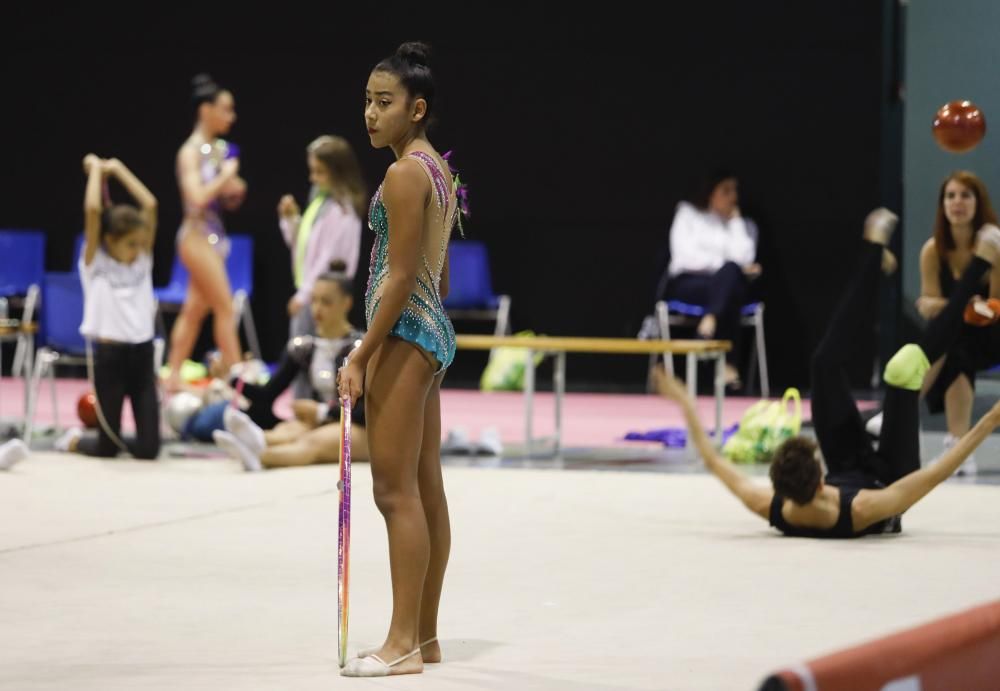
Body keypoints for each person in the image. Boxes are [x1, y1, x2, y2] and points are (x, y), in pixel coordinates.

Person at [655, 207, 1000, 539]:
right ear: (820, 482)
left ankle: (873, 258)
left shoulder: (776, 507)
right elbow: (934, 475)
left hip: (848, 463)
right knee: (905, 364)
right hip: (891, 474)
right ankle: (980, 264)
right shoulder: (864, 509)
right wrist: (988, 420)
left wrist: (686, 405)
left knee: (823, 364)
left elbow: (717, 465)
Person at [337, 41, 461, 677]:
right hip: (428, 331)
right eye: (366, 101)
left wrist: (364, 353)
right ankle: (426, 635)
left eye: (383, 102)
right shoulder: (437, 168)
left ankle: (401, 643)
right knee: (426, 487)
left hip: (406, 332)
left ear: (417, 109)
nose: (370, 113)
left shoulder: (403, 174)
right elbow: (435, 270)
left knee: (394, 492)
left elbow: (400, 274)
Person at [207, 264, 369, 470]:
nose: (317, 309)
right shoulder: (305, 347)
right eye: (314, 301)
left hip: (360, 427)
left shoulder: (361, 349)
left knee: (313, 441)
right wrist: (230, 378)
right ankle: (255, 442)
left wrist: (322, 411)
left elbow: (370, 409)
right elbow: (267, 394)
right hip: (323, 422)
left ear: (346, 303)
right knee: (285, 431)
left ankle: (260, 457)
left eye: (326, 302)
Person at [56, 155, 161, 459]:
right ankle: (76, 440)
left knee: (149, 450)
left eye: (140, 243)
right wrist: (96, 171)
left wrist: (118, 169)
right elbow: (92, 210)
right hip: (111, 359)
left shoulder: (143, 261)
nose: (137, 250)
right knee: (107, 448)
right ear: (110, 240)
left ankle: (124, 439)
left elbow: (151, 205)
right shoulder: (95, 264)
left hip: (141, 357)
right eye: (130, 244)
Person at [914, 171, 1000, 474]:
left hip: (992, 334)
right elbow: (927, 308)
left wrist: (956, 308)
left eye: (965, 195)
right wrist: (967, 307)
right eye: (950, 196)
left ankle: (906, 407)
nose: (957, 202)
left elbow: (994, 308)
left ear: (979, 203)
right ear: (942, 205)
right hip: (957, 336)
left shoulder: (993, 245)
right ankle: (959, 449)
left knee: (950, 335)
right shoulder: (932, 251)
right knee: (954, 345)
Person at [165, 73, 246, 392]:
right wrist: (224, 176)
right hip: (195, 236)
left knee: (194, 310)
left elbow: (221, 198)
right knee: (225, 307)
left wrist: (233, 189)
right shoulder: (190, 151)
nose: (231, 116)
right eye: (225, 109)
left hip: (214, 237)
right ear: (205, 110)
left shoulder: (218, 149)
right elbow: (196, 198)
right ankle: (241, 379)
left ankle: (171, 377)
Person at [656, 170, 762, 388]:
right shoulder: (688, 214)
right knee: (730, 278)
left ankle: (709, 322)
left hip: (725, 288)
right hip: (690, 285)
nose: (733, 197)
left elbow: (745, 257)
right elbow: (685, 258)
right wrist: (723, 265)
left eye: (735, 191)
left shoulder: (744, 225)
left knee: (731, 277)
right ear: (711, 194)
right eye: (726, 190)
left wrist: (735, 223)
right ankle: (728, 364)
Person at [278, 135, 366, 397]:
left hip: (324, 296)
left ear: (338, 172)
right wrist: (291, 220)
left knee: (309, 362)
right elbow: (304, 250)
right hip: (311, 293)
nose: (313, 178)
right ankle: (302, 415)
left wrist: (306, 296)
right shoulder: (321, 202)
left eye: (320, 172)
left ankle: (310, 418)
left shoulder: (342, 209)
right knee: (301, 361)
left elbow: (327, 261)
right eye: (312, 171)